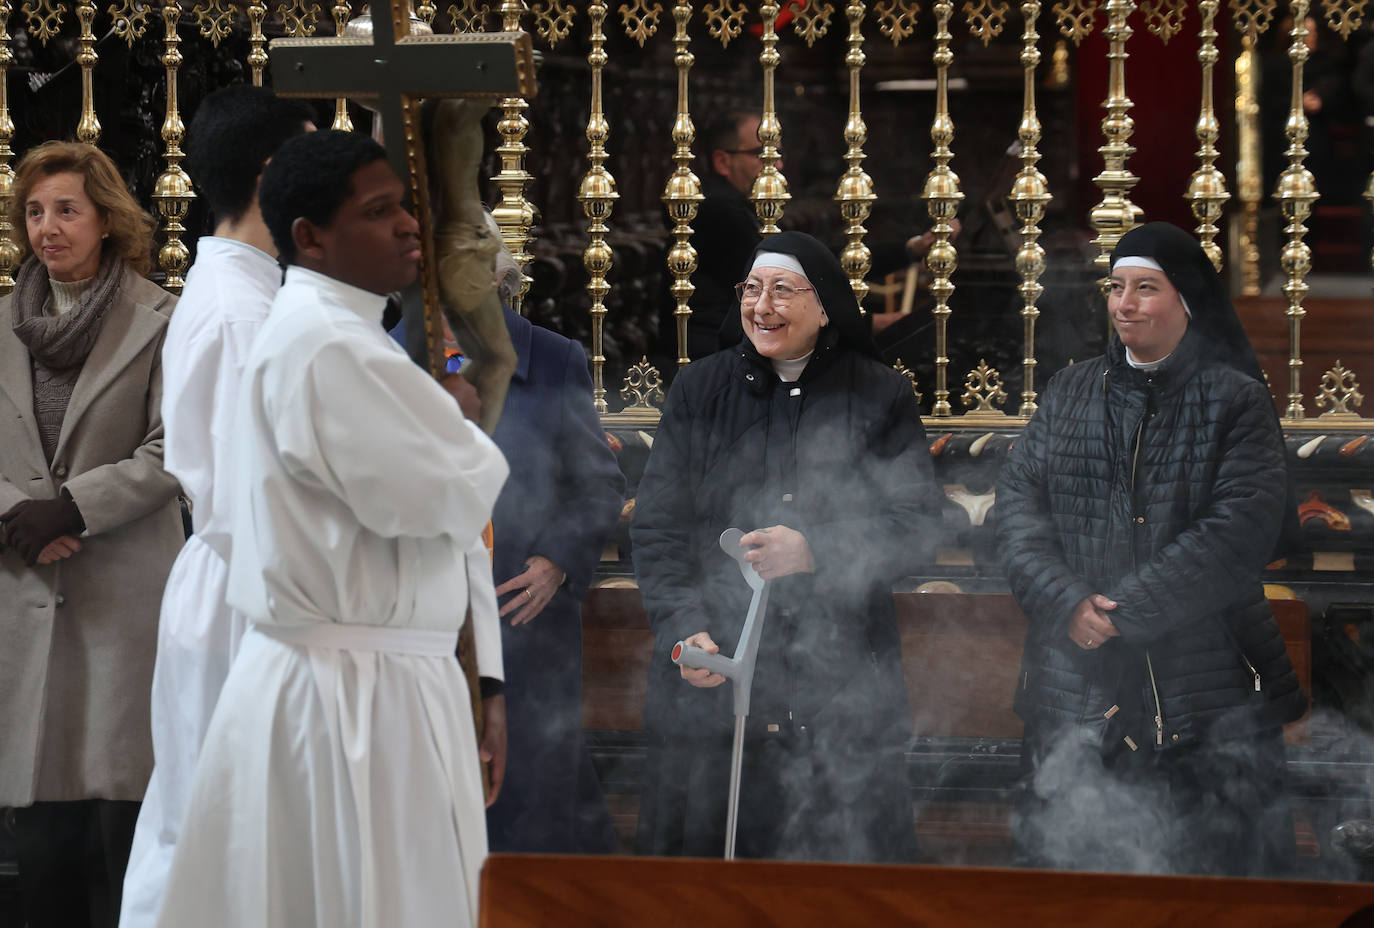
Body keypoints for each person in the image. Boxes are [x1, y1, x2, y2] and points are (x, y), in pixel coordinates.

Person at [153, 130, 508, 928]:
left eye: (406, 207)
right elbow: (449, 495)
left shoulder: (342, 334)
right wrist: (462, 423)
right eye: (379, 212)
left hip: (368, 671)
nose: (410, 227)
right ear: (310, 237)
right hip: (352, 690)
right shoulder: (326, 346)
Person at [996, 221, 1307, 878]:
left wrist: (1122, 611)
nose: (1125, 303)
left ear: (1186, 301)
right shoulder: (1069, 391)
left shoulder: (1235, 399)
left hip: (1205, 690)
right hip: (1074, 687)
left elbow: (1239, 533)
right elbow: (1017, 515)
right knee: (1075, 883)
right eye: (1117, 287)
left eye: (1146, 288)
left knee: (1210, 884)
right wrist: (1068, 601)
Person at [632, 230, 937, 861]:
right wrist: (683, 629)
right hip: (717, 670)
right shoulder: (699, 391)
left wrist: (816, 549)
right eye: (751, 288)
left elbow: (918, 528)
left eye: (782, 290)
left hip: (840, 681)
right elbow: (660, 527)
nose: (760, 304)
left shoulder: (880, 394)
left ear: (825, 304)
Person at [119, 85, 315, 928]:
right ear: (272, 175)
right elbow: (254, 495)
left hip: (247, 583)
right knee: (223, 830)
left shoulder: (251, 290)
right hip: (252, 588)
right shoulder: (241, 311)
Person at [0, 141, 183, 928]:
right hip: (24, 583)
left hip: (124, 602)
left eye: (67, 209)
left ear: (107, 218)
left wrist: (73, 508)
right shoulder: (1, 320)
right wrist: (15, 513)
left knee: (122, 829)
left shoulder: (160, 317)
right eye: (34, 212)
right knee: (38, 847)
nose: (49, 228)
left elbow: (179, 446)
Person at [482, 239, 627, 854]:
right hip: (423, 623)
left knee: (528, 806)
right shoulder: (387, 354)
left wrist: (557, 561)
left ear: (498, 279)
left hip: (523, 621)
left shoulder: (550, 358)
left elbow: (598, 484)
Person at [681, 111, 952, 361]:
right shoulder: (716, 209)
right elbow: (795, 276)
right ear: (722, 161)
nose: (777, 164)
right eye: (761, 155)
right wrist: (867, 324)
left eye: (777, 154)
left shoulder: (741, 207)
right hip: (715, 351)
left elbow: (813, 261)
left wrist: (910, 249)